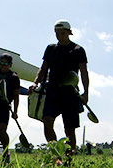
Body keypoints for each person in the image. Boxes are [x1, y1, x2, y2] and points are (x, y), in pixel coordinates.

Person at [29, 19, 89, 151]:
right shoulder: (51, 49)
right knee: (47, 121)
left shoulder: (78, 50)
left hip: (70, 93)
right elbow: (43, 68)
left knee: (69, 129)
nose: (59, 36)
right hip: (52, 91)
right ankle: (56, 153)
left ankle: (69, 160)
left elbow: (84, 73)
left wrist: (86, 93)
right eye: (57, 33)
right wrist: (35, 82)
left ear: (69, 33)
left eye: (62, 33)